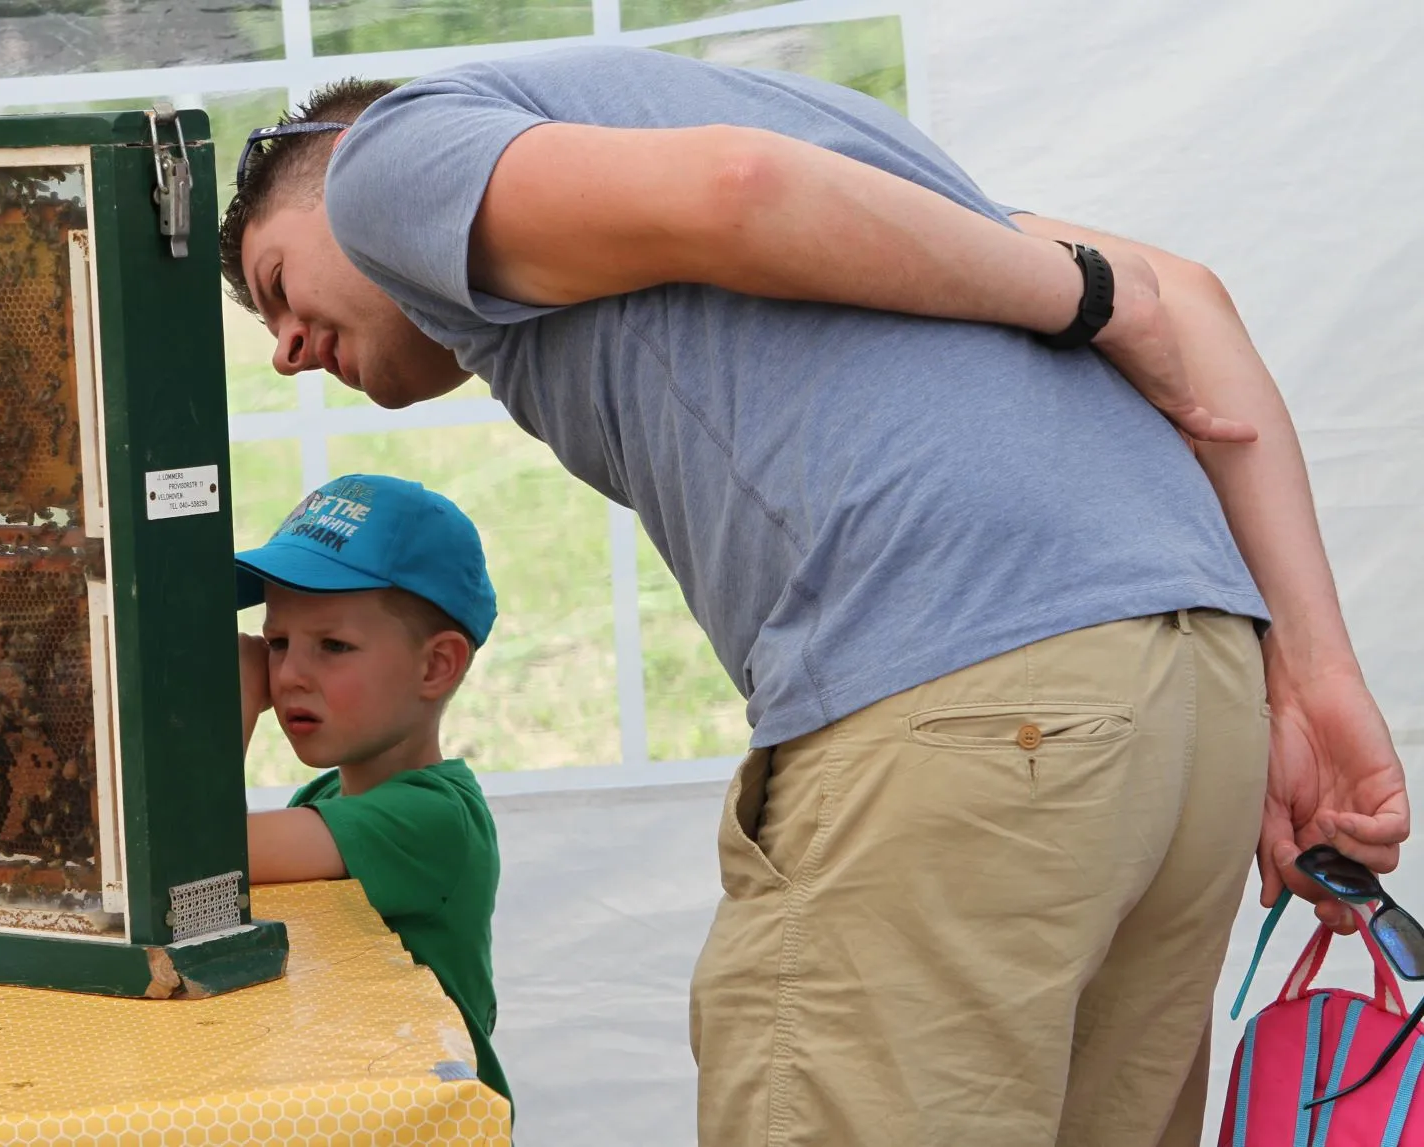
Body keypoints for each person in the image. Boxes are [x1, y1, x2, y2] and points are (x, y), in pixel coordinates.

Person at [216, 46, 1407, 1147]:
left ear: (333, 166)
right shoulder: (814, 135)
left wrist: (1086, 301)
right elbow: (1186, 293)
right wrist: (1310, 678)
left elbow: (743, 191)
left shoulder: (385, 158)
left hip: (973, 687)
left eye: (274, 282)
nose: (282, 349)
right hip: (1193, 698)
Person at [235, 472, 510, 1109]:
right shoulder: (325, 799)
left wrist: (226, 716)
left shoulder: (433, 818)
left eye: (333, 645)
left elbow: (189, 864)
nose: (288, 675)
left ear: (435, 665)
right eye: (276, 643)